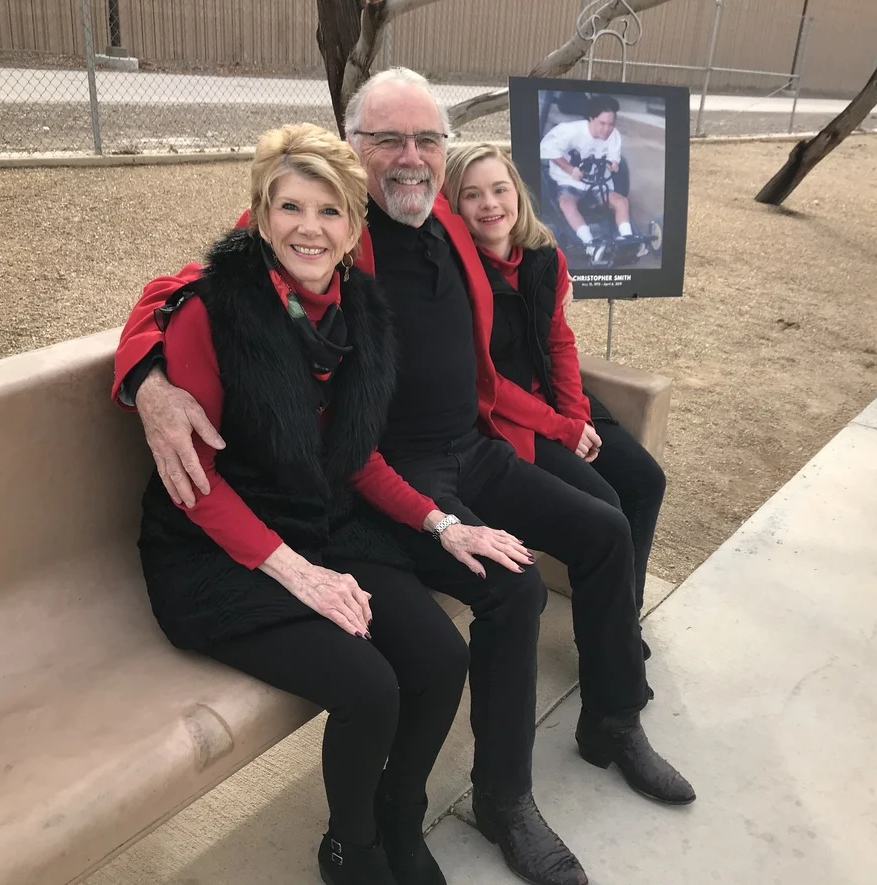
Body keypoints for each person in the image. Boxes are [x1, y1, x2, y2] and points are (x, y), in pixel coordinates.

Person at [114, 69, 694, 885]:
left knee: (604, 527)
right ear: (354, 149)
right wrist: (146, 378)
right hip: (385, 472)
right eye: (388, 139)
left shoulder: (440, 221)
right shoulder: (326, 222)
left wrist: (556, 411)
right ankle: (504, 799)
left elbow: (523, 266)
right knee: (513, 588)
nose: (411, 156)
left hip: (471, 448)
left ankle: (612, 717)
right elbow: (189, 287)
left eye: (427, 139)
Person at [130, 123, 472, 885]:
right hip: (216, 549)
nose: (308, 228)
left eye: (328, 210)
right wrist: (297, 573)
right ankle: (351, 846)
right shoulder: (217, 311)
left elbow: (356, 457)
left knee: (441, 658)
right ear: (260, 215)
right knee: (368, 687)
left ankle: (398, 815)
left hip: (318, 519)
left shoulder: (361, 311)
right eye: (289, 207)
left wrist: (441, 522)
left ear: (353, 225)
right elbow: (196, 484)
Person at [443, 142, 666, 660]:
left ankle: (621, 621)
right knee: (603, 505)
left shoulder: (546, 257)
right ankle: (604, 645)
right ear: (453, 207)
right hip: (506, 419)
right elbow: (485, 382)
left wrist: (577, 416)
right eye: (471, 195)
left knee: (644, 481)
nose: (489, 203)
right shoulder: (456, 277)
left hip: (560, 403)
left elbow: (560, 343)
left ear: (517, 193)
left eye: (499, 189)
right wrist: (563, 430)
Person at [538, 95, 644, 261]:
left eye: (611, 124)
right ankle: (590, 244)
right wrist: (570, 169)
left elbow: (614, 158)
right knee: (566, 203)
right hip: (570, 182)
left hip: (597, 184)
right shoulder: (569, 131)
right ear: (591, 119)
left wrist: (613, 164)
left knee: (622, 202)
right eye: (602, 123)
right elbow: (547, 149)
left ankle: (627, 239)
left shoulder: (614, 135)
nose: (607, 129)